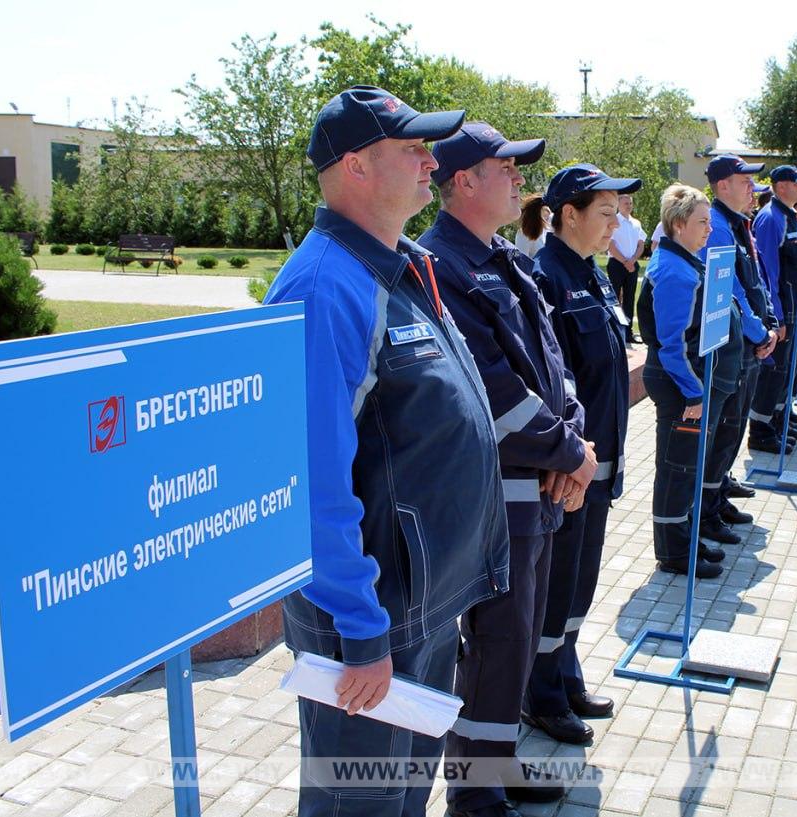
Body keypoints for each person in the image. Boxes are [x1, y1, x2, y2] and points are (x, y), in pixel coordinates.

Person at [264, 86, 508, 817]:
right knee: (357, 806)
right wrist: (360, 628)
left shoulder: (392, 265)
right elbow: (309, 478)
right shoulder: (322, 286)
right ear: (355, 167)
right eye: (413, 149)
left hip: (420, 607)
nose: (432, 162)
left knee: (401, 800)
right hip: (369, 619)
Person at [419, 126, 601, 816]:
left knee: (518, 643)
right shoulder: (443, 266)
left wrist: (573, 443)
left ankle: (501, 767)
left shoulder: (502, 258)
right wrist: (571, 454)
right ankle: (475, 792)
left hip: (541, 491)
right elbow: (491, 391)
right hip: (499, 498)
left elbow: (555, 368)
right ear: (464, 181)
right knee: (496, 645)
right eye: (507, 168)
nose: (522, 179)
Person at [525, 164, 639, 745]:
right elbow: (552, 383)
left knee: (579, 585)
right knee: (554, 587)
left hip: (602, 463)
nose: (615, 223)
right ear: (568, 214)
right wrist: (568, 459)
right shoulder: (545, 278)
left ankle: (564, 675)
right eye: (605, 212)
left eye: (618, 213)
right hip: (569, 471)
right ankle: (538, 696)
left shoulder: (592, 276)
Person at [636, 184, 740, 579]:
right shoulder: (676, 272)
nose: (709, 229)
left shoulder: (687, 261)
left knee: (687, 466)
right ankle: (674, 551)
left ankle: (685, 537)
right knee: (677, 468)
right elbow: (671, 344)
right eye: (702, 222)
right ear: (679, 225)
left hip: (689, 381)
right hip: (680, 384)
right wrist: (694, 392)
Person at [700, 155, 777, 546]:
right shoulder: (714, 227)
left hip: (748, 341)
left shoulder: (734, 224)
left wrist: (770, 324)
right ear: (722, 185)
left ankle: (717, 495)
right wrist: (758, 329)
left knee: (733, 427)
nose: (751, 187)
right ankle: (707, 510)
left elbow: (756, 281)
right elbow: (727, 290)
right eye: (744, 179)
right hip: (733, 344)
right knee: (724, 429)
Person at [749, 165, 797, 452]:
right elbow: (768, 272)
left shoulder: (789, 217)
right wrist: (776, 316)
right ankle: (761, 431)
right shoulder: (770, 219)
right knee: (773, 372)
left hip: (793, 306)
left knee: (785, 370)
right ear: (782, 186)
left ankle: (776, 421)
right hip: (782, 309)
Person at [606, 193, 646, 341]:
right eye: (625, 203)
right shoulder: (614, 221)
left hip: (632, 264)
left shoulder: (636, 223)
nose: (628, 206)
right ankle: (615, 331)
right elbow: (610, 245)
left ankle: (628, 333)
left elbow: (641, 244)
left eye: (630, 203)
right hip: (617, 264)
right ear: (618, 204)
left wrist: (633, 260)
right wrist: (625, 261)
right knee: (615, 298)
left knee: (629, 298)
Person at [515, 193, 550, 258]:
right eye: (546, 215)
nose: (548, 216)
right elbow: (522, 263)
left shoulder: (546, 230)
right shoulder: (523, 234)